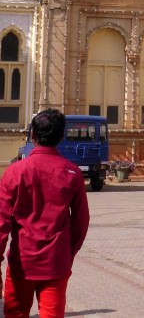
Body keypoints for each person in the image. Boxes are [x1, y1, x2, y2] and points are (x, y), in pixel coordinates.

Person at [0, 108, 90, 318]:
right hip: (55, 263)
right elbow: (81, 221)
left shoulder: (15, 172)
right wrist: (68, 254)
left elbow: (2, 221)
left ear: (32, 135)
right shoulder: (71, 173)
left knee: (15, 313)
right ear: (61, 136)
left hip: (22, 262)